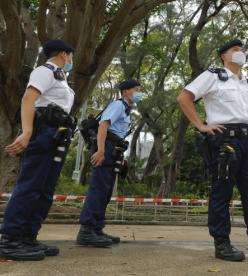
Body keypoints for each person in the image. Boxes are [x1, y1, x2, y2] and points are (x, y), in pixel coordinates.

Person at [177, 39, 248, 262]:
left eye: (242, 50)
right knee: (222, 192)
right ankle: (222, 244)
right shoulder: (214, 76)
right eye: (235, 50)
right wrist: (201, 125)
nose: (240, 53)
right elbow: (184, 97)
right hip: (225, 141)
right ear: (223, 56)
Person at [0, 39, 76, 261]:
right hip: (43, 131)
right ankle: (10, 239)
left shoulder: (61, 78)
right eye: (71, 56)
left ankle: (27, 236)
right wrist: (27, 131)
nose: (72, 60)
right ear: (64, 54)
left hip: (57, 133)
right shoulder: (46, 71)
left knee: (44, 189)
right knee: (30, 185)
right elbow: (28, 99)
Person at [77, 80, 142, 247]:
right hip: (105, 147)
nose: (139, 93)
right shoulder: (118, 105)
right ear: (126, 92)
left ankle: (97, 229)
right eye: (136, 89)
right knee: (99, 188)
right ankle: (87, 231)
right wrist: (100, 150)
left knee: (105, 191)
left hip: (114, 149)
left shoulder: (126, 110)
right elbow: (103, 125)